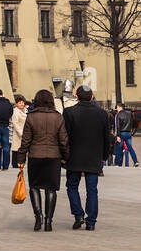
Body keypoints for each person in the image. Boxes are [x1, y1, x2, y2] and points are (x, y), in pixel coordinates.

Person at [15, 89, 69, 231]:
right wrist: (66, 157)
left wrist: (21, 158)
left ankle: (38, 216)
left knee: (35, 186)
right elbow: (63, 140)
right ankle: (49, 221)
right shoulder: (58, 117)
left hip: (35, 156)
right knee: (51, 189)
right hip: (53, 157)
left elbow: (26, 141)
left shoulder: (31, 117)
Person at [63, 86, 112, 231]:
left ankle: (78, 215)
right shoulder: (102, 114)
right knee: (92, 189)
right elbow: (106, 137)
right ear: (92, 97)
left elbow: (65, 136)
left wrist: (64, 156)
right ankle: (91, 222)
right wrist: (104, 155)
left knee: (72, 186)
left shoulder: (69, 112)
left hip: (74, 156)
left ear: (76, 97)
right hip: (93, 156)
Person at [112, 102, 137, 167]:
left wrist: (117, 135)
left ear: (120, 107)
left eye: (117, 107)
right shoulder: (129, 114)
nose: (116, 109)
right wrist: (131, 132)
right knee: (130, 148)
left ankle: (117, 163)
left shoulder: (118, 115)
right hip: (128, 133)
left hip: (122, 133)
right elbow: (133, 123)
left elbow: (118, 126)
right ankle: (136, 161)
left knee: (118, 148)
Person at [11, 93, 29, 165]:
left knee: (22, 148)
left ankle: (21, 161)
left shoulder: (25, 110)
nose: (21, 104)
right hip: (18, 132)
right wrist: (20, 132)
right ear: (17, 103)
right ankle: (14, 162)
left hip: (25, 131)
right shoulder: (15, 111)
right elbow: (15, 122)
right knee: (16, 148)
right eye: (19, 103)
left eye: (22, 102)